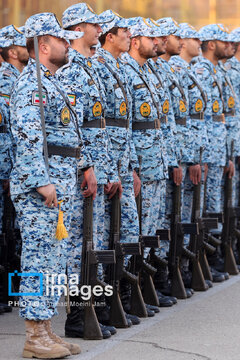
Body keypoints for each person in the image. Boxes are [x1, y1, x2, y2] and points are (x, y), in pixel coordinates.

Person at [10, 12, 96, 359]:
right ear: (43, 45)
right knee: (37, 258)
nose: (67, 44)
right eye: (61, 40)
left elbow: (64, 135)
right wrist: (43, 182)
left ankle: (46, 329)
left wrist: (81, 167)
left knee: (54, 259)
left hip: (62, 182)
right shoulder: (31, 84)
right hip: (41, 188)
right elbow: (28, 138)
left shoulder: (51, 81)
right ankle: (33, 335)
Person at [59, 3, 119, 339]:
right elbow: (71, 127)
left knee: (91, 244)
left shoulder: (89, 67)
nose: (100, 29)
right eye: (94, 24)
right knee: (78, 245)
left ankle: (92, 309)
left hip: (96, 169)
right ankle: (76, 317)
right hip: (80, 173)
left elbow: (99, 126)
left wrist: (106, 167)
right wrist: (86, 166)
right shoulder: (71, 70)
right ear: (79, 28)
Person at [193, 24, 234, 280]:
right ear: (210, 44)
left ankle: (212, 254)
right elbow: (201, 118)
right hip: (209, 150)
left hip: (220, 148)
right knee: (205, 205)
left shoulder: (218, 71)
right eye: (222, 41)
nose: (228, 45)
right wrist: (203, 155)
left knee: (216, 202)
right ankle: (205, 257)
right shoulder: (201, 71)